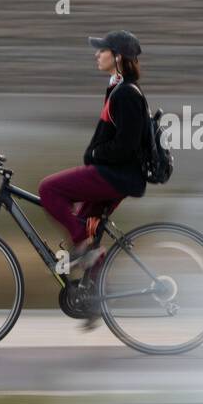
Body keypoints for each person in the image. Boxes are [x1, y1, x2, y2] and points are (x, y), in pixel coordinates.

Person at [38, 31, 148, 282]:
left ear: (118, 57)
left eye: (103, 50)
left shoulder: (126, 93)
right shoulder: (118, 89)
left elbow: (126, 145)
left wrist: (94, 154)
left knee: (49, 189)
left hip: (117, 176)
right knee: (84, 223)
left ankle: (83, 247)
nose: (97, 54)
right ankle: (93, 297)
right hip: (118, 175)